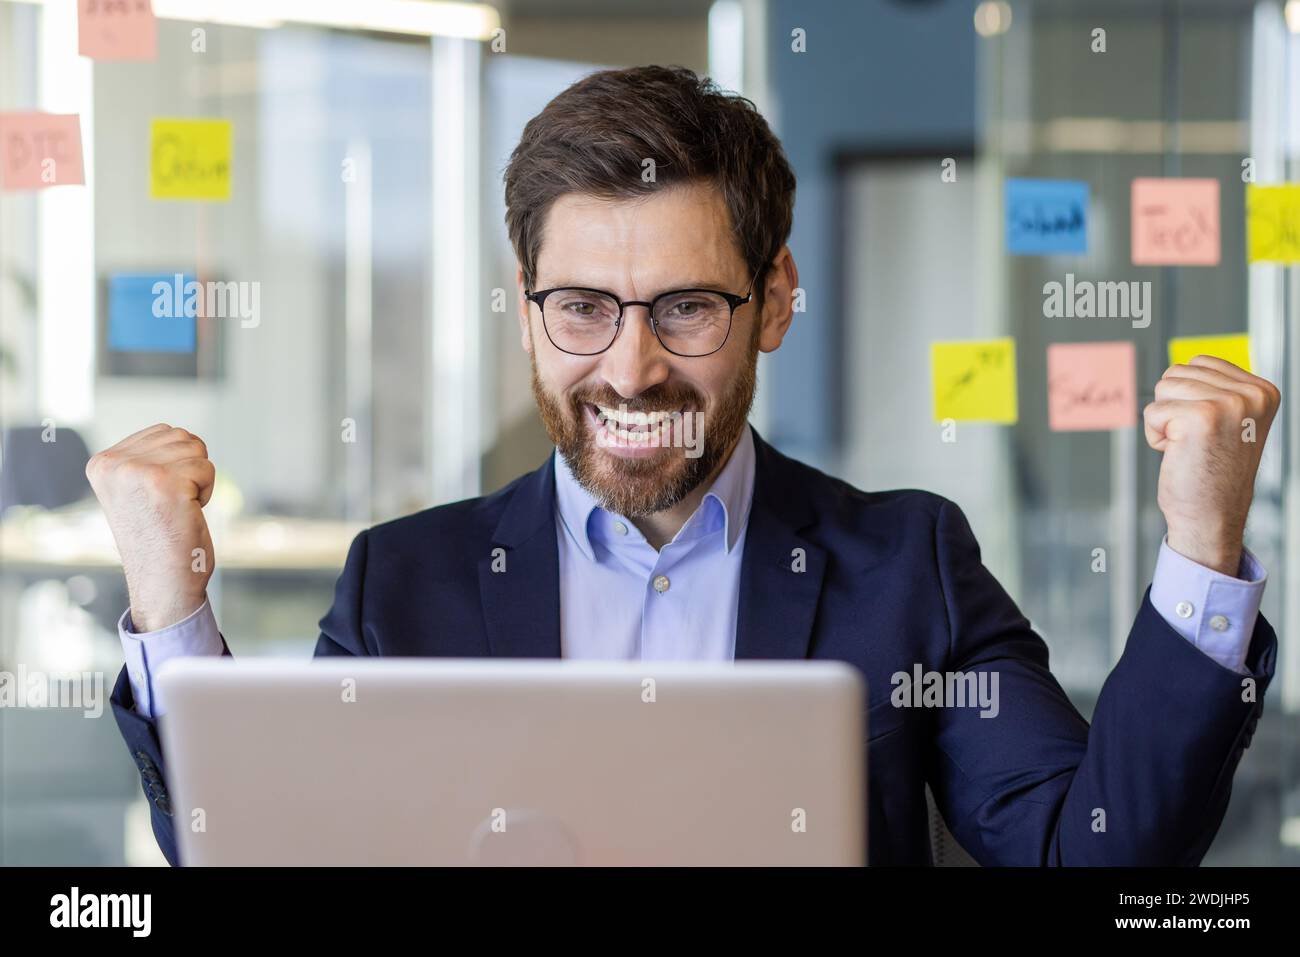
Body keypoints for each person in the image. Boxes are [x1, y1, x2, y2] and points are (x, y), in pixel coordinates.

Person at [89, 66, 1280, 867]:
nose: (632, 367)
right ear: (525, 309)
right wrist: (168, 598)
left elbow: (1099, 851)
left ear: (775, 302)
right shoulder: (403, 581)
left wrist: (1200, 553)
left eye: (686, 308)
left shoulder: (904, 565)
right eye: (583, 308)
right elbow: (270, 854)